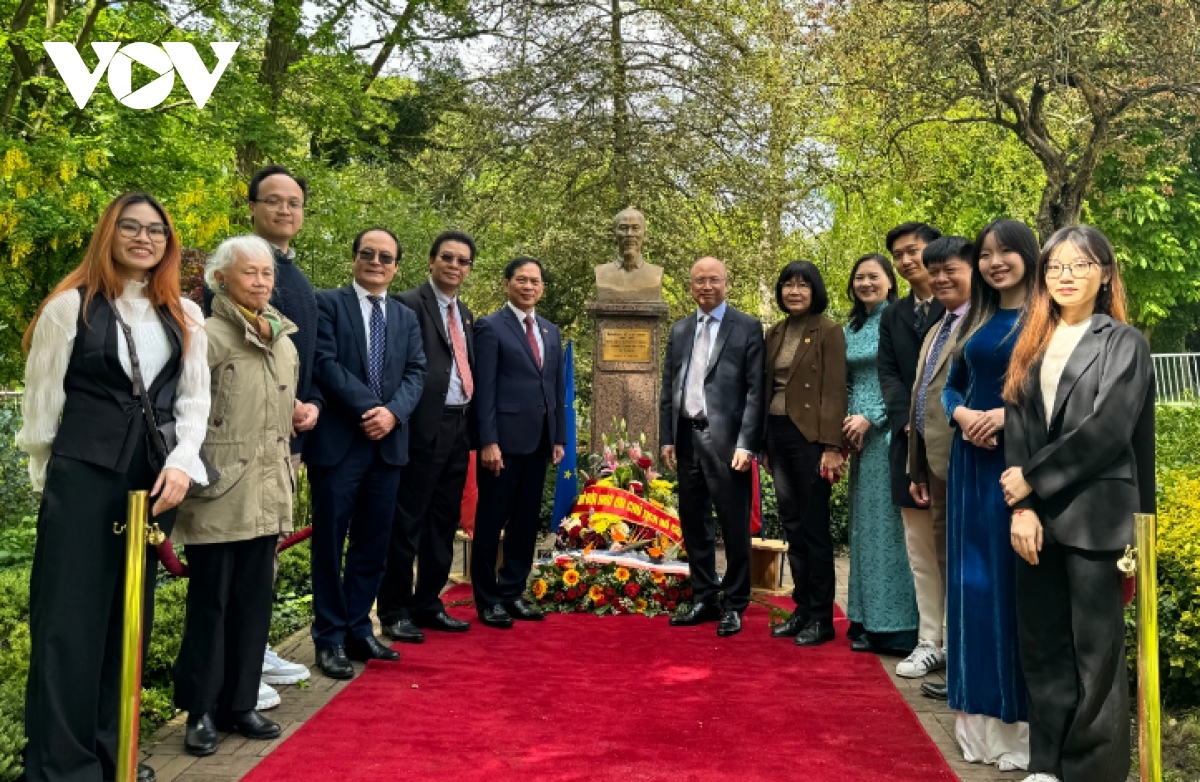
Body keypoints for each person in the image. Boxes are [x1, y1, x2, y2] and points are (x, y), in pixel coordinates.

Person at [17, 192, 210, 782]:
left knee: (127, 621)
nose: (144, 238)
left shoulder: (185, 313)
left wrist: (182, 463)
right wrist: (52, 486)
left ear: (167, 242)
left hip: (150, 482)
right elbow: (43, 408)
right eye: (131, 227)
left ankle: (113, 753)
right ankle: (60, 765)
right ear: (109, 234)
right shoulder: (68, 308)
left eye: (155, 230)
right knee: (69, 624)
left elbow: (194, 401)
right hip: (80, 480)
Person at [1001, 225, 1154, 782]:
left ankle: (1091, 772)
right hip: (1036, 520)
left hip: (1096, 519)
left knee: (1096, 658)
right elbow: (1017, 429)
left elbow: (1108, 430)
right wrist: (1022, 508)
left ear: (1106, 273)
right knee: (1042, 646)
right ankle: (1046, 764)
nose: (1066, 276)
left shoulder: (1123, 343)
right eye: (1056, 267)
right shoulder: (1031, 341)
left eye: (1080, 265)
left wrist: (1032, 482)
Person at [173, 235, 298, 755]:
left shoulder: (284, 338)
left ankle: (239, 703)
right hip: (220, 487)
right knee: (211, 603)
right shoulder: (207, 334)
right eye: (250, 273)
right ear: (220, 278)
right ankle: (199, 710)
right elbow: (185, 411)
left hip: (268, 490)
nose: (262, 282)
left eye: (267, 273)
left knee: (253, 603)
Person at [201, 165, 322, 704]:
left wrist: (309, 402)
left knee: (263, 557)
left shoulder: (291, 276)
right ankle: (225, 676)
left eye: (294, 203)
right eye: (273, 201)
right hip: (234, 451)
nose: (284, 210)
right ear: (251, 206)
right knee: (227, 570)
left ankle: (252, 655)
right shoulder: (223, 289)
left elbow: (299, 360)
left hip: (283, 441)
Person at [305, 228, 426, 678]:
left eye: (386, 257)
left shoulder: (404, 316)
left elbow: (417, 372)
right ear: (355, 258)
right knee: (331, 544)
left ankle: (359, 628)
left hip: (388, 444)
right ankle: (329, 637)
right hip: (341, 444)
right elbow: (324, 363)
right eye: (368, 254)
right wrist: (370, 408)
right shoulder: (328, 303)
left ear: (396, 266)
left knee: (373, 544)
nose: (376, 262)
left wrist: (392, 414)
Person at [941, 220, 1036, 770]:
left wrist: (1008, 416)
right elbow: (953, 381)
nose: (995, 262)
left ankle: (1017, 730)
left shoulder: (1045, 320)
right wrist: (962, 413)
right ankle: (976, 723)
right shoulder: (977, 316)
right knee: (970, 586)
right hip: (970, 464)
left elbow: (1058, 396)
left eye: (1006, 253)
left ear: (1028, 255)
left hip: (1017, 467)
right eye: (987, 255)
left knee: (1007, 585)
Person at [377, 231, 478, 641]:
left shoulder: (465, 314)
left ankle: (428, 602)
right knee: (408, 522)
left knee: (443, 520)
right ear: (431, 261)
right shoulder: (406, 305)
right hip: (421, 427)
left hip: (459, 426)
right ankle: (395, 608)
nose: (454, 266)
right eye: (447, 258)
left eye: (463, 261)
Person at [659, 257, 765, 637]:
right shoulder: (681, 329)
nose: (707, 286)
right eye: (700, 280)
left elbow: (756, 391)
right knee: (694, 523)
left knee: (733, 524)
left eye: (714, 279)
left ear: (726, 283)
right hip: (687, 438)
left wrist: (746, 444)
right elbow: (669, 388)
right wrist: (667, 438)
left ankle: (735, 603)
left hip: (727, 443)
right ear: (690, 287)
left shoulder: (748, 327)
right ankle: (704, 595)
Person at [471, 258, 567, 628]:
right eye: (521, 280)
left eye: (535, 281)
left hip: (539, 443)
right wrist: (488, 441)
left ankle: (513, 592)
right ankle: (488, 600)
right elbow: (485, 391)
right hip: (504, 445)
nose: (529, 286)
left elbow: (555, 388)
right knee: (491, 521)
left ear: (542, 287)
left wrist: (558, 437)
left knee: (526, 523)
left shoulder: (549, 331)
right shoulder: (491, 327)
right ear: (507, 283)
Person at [761, 261, 847, 647]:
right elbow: (766, 390)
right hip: (777, 437)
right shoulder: (775, 331)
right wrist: (762, 442)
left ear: (815, 290)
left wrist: (832, 446)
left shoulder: (828, 330)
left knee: (813, 529)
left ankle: (821, 617)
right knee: (792, 526)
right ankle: (801, 608)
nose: (794, 292)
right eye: (788, 285)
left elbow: (833, 391)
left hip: (810, 439)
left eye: (803, 285)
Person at [876, 221, 948, 679]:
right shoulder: (894, 314)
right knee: (920, 551)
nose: (905, 261)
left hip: (954, 444)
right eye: (898, 254)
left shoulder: (964, 304)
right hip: (907, 446)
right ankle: (930, 640)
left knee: (956, 551)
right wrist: (907, 418)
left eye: (913, 251)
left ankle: (961, 644)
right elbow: (889, 373)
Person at [903, 236, 972, 682]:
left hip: (970, 463)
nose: (941, 278)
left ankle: (965, 661)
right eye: (936, 270)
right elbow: (921, 398)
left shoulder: (982, 325)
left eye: (951, 269)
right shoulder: (938, 326)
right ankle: (953, 653)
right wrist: (917, 466)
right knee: (945, 560)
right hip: (934, 463)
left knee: (967, 563)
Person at [842, 253, 919, 654]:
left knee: (892, 530)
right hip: (858, 439)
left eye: (874, 276)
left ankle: (899, 627)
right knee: (865, 530)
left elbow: (903, 377)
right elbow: (848, 380)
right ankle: (866, 618)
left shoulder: (899, 320)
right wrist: (846, 423)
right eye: (860, 277)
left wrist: (872, 416)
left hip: (889, 429)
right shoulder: (851, 325)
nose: (866, 283)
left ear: (890, 282)